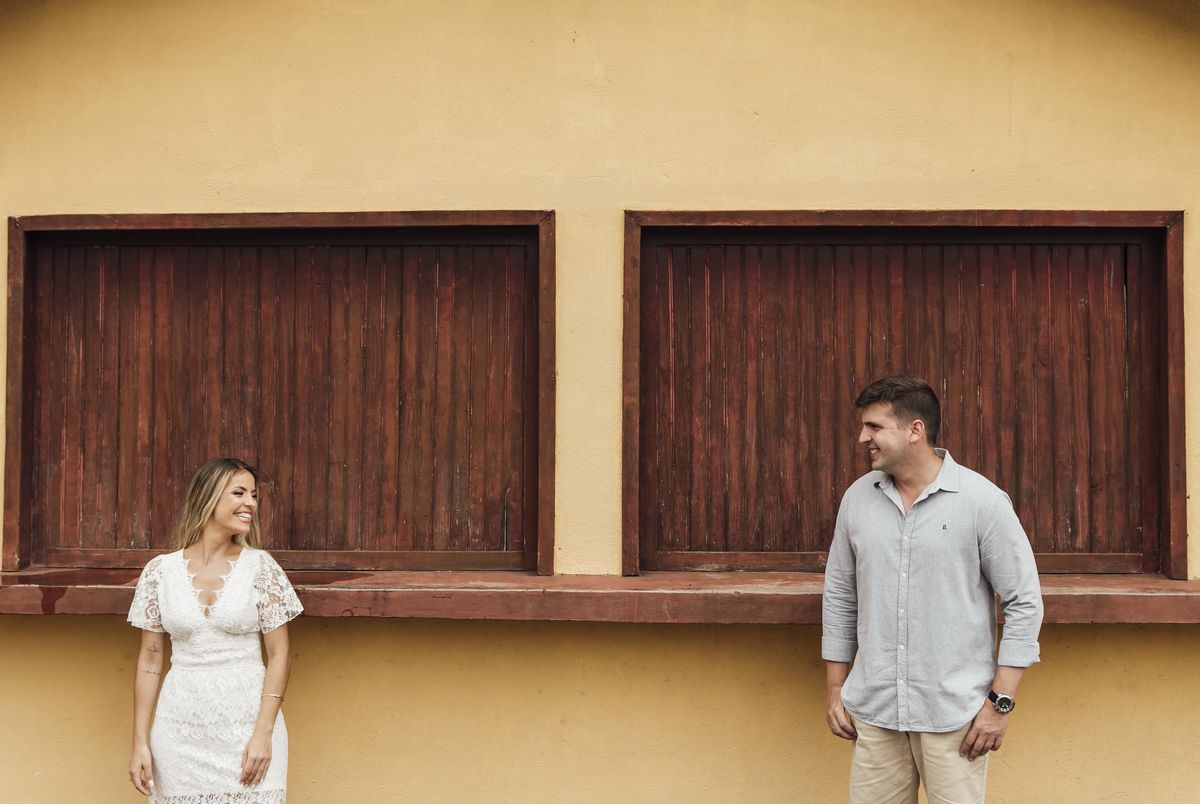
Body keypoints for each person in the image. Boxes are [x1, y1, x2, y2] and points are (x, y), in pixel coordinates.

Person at [822, 376, 1043, 804]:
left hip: (956, 719)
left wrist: (1001, 704)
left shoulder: (982, 502)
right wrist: (835, 686)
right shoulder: (857, 500)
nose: (863, 437)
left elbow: (1024, 603)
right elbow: (839, 595)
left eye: (874, 427)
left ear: (915, 430)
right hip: (876, 712)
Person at [127, 458, 303, 802]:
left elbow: (280, 655)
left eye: (253, 495)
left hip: (248, 731)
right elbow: (150, 661)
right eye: (239, 493)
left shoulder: (261, 566)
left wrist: (263, 733)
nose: (250, 503)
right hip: (178, 733)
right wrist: (139, 742)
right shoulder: (159, 572)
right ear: (208, 497)